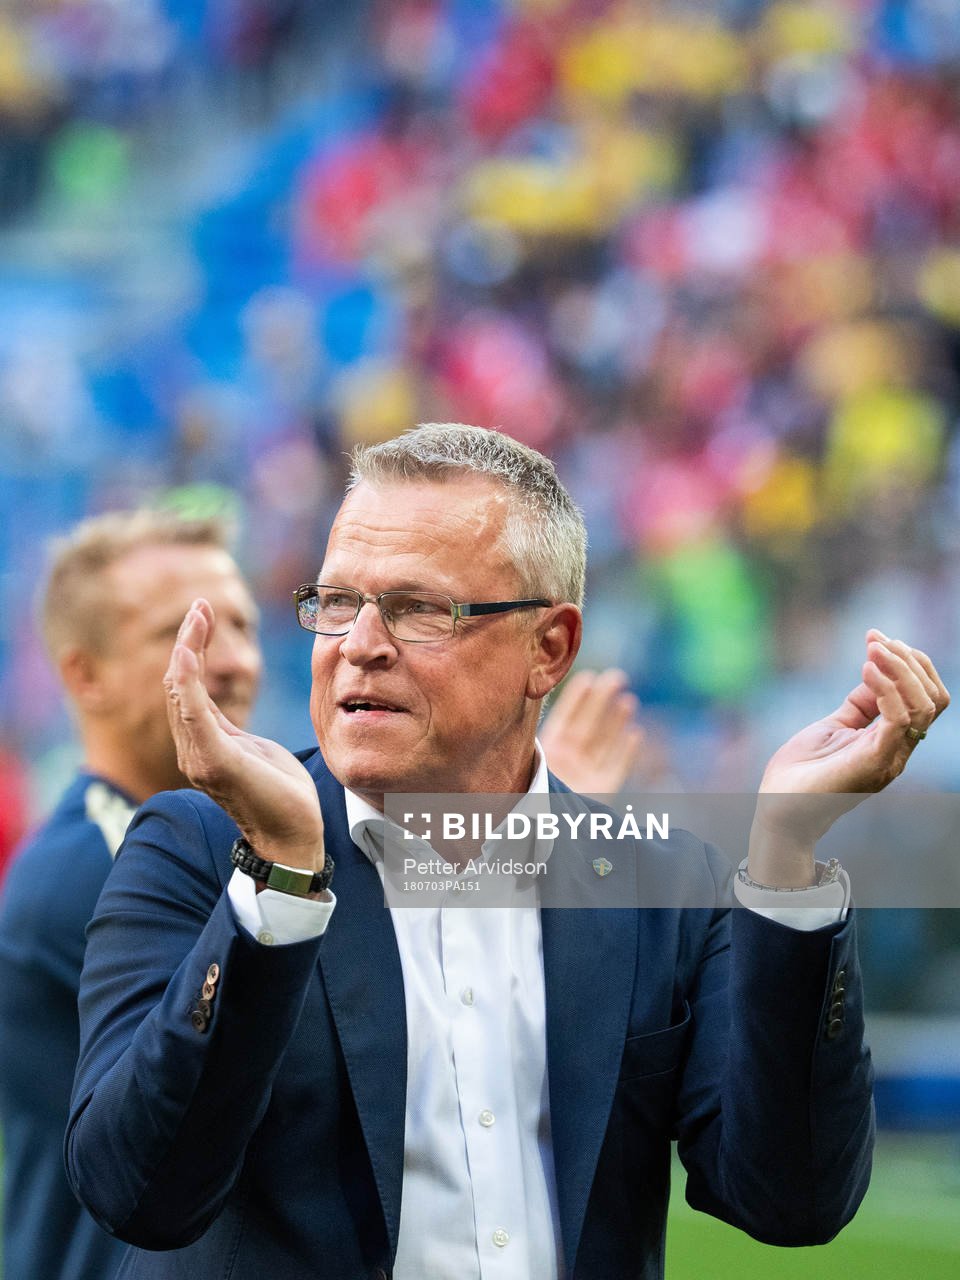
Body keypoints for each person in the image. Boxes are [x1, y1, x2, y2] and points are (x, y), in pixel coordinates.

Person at [66, 424, 948, 1280]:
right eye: (336, 603)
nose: (360, 646)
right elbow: (138, 1193)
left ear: (550, 648)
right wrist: (284, 880)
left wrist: (786, 853)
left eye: (417, 610)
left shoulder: (662, 882)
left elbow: (791, 1200)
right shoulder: (199, 850)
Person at [0, 509, 263, 1280]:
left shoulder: (198, 842)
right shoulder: (97, 872)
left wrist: (541, 828)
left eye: (242, 627)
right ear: (86, 675)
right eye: (182, 634)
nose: (233, 661)